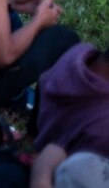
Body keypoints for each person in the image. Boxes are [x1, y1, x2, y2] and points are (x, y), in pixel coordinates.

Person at [30, 42, 109, 188]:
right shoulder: (103, 129)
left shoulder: (78, 52)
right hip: (63, 169)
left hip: (43, 136)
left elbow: (42, 80)